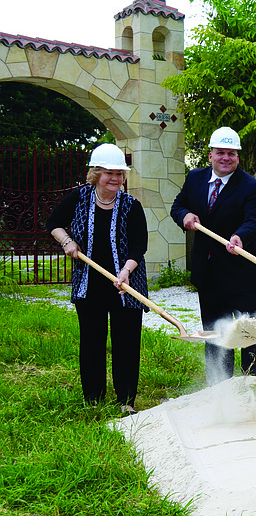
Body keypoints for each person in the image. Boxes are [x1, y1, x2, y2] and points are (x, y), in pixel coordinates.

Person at [46, 143, 148, 415]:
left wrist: (126, 271)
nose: (115, 179)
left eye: (119, 174)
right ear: (96, 174)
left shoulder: (131, 205)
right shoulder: (78, 198)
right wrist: (67, 241)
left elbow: (139, 245)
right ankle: (93, 398)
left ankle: (126, 401)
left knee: (126, 343)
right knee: (92, 341)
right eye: (109, 173)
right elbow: (53, 223)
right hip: (88, 284)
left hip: (125, 285)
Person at [170, 126, 256, 385]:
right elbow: (178, 206)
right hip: (208, 272)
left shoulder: (252, 186)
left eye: (231, 153)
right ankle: (220, 385)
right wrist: (185, 216)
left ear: (238, 157)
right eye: (220, 152)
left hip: (241, 273)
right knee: (214, 332)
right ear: (210, 154)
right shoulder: (195, 179)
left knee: (249, 332)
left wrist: (240, 236)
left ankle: (255, 385)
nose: (226, 157)